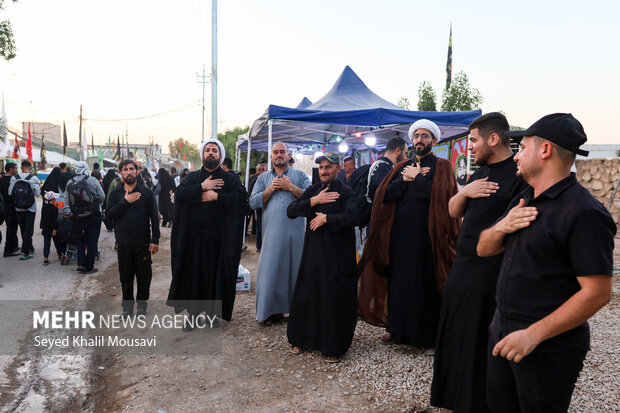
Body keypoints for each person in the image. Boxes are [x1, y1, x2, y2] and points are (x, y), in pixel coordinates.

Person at [477, 113, 615, 413]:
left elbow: (598, 292)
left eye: (522, 147)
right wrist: (501, 227)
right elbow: (483, 249)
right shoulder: (524, 199)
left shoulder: (584, 213)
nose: (516, 156)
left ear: (545, 150)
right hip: (502, 335)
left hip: (546, 349)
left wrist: (533, 335)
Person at [431, 112, 528, 413]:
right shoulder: (477, 174)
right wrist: (466, 191)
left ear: (493, 139)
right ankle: (454, 398)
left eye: (473, 140)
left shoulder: (518, 176)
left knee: (477, 342)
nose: (470, 147)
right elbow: (452, 210)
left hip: (490, 275)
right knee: (455, 336)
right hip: (463, 268)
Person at [358, 119, 459, 349]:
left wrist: (419, 177)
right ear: (412, 141)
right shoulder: (401, 167)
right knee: (399, 283)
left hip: (427, 239)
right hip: (400, 238)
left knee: (423, 284)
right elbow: (385, 194)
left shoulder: (442, 166)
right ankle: (396, 329)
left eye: (425, 136)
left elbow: (442, 200)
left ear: (434, 140)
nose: (419, 140)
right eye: (416, 136)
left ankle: (425, 337)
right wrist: (405, 178)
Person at [167, 139, 249, 328]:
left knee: (216, 278)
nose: (210, 153)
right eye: (207, 150)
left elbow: (242, 203)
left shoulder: (230, 179)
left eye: (214, 150)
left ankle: (213, 315)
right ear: (203, 155)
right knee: (194, 277)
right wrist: (202, 188)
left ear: (220, 156)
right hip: (194, 240)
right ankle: (194, 315)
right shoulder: (193, 178)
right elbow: (179, 195)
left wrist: (217, 196)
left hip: (220, 241)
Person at [286, 152, 359, 363]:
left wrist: (328, 218)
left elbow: (355, 217)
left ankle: (333, 346)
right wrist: (314, 201)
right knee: (308, 296)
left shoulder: (346, 192)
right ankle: (302, 338)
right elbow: (291, 211)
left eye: (328, 167)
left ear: (338, 169)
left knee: (333, 300)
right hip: (313, 257)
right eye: (321, 168)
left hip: (337, 259)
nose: (324, 171)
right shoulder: (313, 190)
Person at [249, 143, 311, 326]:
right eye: (275, 152)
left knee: (296, 271)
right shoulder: (263, 178)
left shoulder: (299, 176)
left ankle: (298, 312)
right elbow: (252, 202)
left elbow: (311, 198)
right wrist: (272, 189)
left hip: (296, 235)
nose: (279, 155)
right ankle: (270, 312)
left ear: (288, 155)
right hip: (272, 235)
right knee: (271, 271)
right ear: (271, 157)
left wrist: (290, 187)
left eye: (282, 152)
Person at [106, 159, 160, 318]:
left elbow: (154, 218)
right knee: (126, 278)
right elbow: (108, 215)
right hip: (123, 244)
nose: (128, 172)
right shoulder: (116, 193)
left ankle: (142, 308)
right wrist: (125, 201)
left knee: (144, 278)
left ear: (137, 171)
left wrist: (155, 239)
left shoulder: (146, 193)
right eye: (125, 169)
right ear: (121, 173)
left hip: (142, 244)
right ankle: (127, 309)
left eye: (131, 169)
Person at [66, 161, 105, 274]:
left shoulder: (70, 182)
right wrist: (93, 204)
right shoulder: (92, 180)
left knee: (80, 240)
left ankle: (81, 264)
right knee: (92, 240)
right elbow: (102, 196)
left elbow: (67, 201)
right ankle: (89, 267)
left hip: (77, 216)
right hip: (93, 215)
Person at [8, 160, 41, 260]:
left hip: (18, 208)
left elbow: (10, 192)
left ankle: (29, 247)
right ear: (30, 168)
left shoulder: (14, 178)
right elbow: (38, 193)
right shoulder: (33, 178)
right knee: (28, 230)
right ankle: (25, 252)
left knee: (23, 229)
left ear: (21, 168)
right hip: (30, 208)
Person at [40, 167, 65, 265]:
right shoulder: (58, 184)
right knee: (56, 239)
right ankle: (60, 254)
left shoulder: (47, 183)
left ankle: (45, 258)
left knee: (46, 241)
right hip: (54, 220)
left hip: (46, 219)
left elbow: (42, 192)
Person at [1, 162, 19, 257]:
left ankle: (14, 246)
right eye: (15, 169)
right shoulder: (11, 181)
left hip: (3, 208)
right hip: (11, 208)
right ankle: (8, 250)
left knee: (12, 228)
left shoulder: (2, 179)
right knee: (11, 229)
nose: (17, 170)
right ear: (11, 170)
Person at [249, 162, 267, 249]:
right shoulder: (254, 182)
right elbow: (250, 196)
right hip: (259, 208)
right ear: (257, 171)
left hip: (267, 208)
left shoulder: (269, 180)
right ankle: (259, 246)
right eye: (259, 170)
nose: (261, 171)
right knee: (259, 226)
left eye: (263, 169)